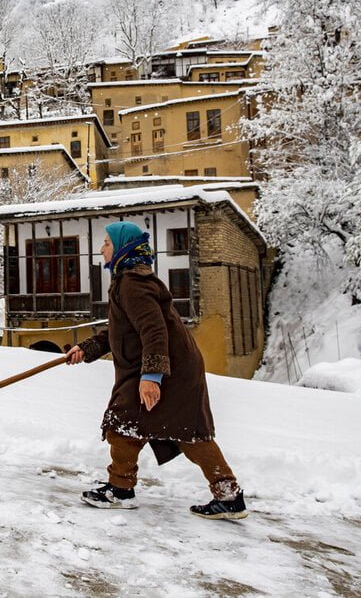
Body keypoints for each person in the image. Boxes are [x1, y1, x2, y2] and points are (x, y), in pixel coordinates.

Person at [65, 221, 247, 519]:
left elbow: (153, 332)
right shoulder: (129, 280)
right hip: (168, 366)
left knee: (139, 425)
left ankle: (122, 490)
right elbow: (122, 329)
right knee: (137, 427)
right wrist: (88, 348)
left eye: (107, 243)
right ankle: (225, 494)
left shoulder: (133, 284)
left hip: (168, 371)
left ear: (123, 247)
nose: (102, 249)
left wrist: (152, 377)